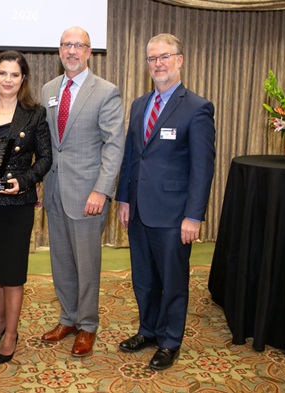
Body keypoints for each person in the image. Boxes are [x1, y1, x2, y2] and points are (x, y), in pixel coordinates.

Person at [115, 33, 216, 371]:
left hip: (174, 215)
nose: (157, 64)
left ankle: (170, 341)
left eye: (164, 57)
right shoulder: (140, 104)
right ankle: (148, 330)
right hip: (140, 210)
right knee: (144, 278)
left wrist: (194, 216)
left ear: (179, 60)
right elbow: (133, 155)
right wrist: (124, 199)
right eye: (152, 58)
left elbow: (203, 168)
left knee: (173, 281)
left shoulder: (197, 108)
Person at [40, 26, 125, 357]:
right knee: (61, 261)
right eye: (66, 45)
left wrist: (102, 190)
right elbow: (47, 144)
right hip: (54, 191)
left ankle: (87, 325)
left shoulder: (105, 91)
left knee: (87, 265)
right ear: (59, 51)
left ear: (90, 52)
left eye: (79, 46)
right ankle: (68, 318)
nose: (71, 51)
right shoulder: (49, 89)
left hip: (88, 195)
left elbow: (114, 145)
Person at [0, 51, 52, 364]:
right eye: (2, 73)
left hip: (18, 204)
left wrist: (25, 181)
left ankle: (11, 333)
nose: (8, 80)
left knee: (13, 271)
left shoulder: (35, 114)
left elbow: (45, 158)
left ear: (23, 79)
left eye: (14, 75)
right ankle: (0, 321)